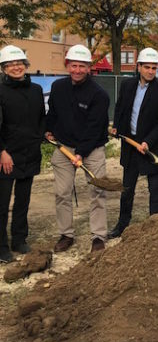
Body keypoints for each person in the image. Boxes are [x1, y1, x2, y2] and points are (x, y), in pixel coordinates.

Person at [45, 44, 110, 253]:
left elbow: (94, 128)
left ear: (89, 67)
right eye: (74, 65)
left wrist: (81, 153)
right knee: (62, 192)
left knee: (97, 190)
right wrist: (48, 130)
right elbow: (53, 114)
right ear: (67, 65)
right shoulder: (58, 87)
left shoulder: (99, 95)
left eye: (82, 66)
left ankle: (98, 236)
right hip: (64, 147)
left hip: (93, 149)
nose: (77, 70)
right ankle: (66, 234)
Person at [108, 48, 158, 239]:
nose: (151, 71)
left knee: (154, 188)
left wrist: (147, 142)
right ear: (139, 67)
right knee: (127, 189)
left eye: (154, 68)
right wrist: (116, 127)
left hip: (152, 147)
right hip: (130, 146)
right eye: (147, 67)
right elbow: (120, 108)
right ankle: (122, 224)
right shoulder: (127, 86)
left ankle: (156, 224)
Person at [0, 46, 45, 262]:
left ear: (25, 65)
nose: (16, 67)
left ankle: (19, 240)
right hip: (6, 157)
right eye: (10, 64)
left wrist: (44, 135)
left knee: (22, 201)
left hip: (29, 153)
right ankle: (1, 248)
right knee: (2, 204)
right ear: (3, 68)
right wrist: (2, 151)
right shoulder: (0, 91)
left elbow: (40, 120)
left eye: (19, 63)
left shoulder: (35, 90)